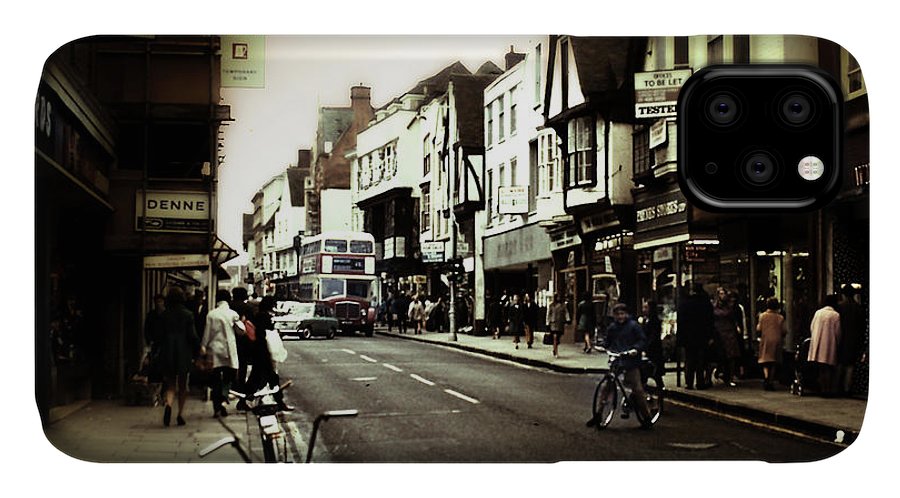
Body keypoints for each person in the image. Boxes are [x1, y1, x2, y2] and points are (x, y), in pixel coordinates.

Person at [587, 303, 650, 427]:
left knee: (637, 389)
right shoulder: (612, 327)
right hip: (617, 360)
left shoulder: (634, 326)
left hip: (631, 361)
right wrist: (602, 346)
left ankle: (647, 417)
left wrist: (636, 349)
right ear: (614, 315)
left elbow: (642, 340)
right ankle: (598, 414)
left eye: (622, 314)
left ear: (626, 314)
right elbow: (608, 341)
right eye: (617, 314)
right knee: (606, 387)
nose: (620, 317)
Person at [158, 286, 200, 427]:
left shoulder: (164, 315)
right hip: (183, 352)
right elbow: (192, 336)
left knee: (170, 384)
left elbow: (159, 336)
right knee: (183, 385)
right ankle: (180, 414)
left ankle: (169, 404)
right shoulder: (187, 314)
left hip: (168, 352)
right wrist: (198, 349)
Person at [245, 296, 293, 411]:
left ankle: (245, 400)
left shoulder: (259, 316)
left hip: (259, 352)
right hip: (263, 352)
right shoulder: (264, 317)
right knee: (271, 378)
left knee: (258, 378)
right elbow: (264, 335)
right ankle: (280, 402)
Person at [200, 289, 241, 417]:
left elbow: (207, 333)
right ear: (228, 299)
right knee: (229, 376)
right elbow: (242, 331)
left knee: (215, 379)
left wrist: (203, 346)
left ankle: (216, 407)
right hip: (229, 350)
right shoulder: (233, 314)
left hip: (214, 350)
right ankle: (224, 397)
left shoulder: (211, 315)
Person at [676, 283, 715, 390]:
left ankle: (688, 382)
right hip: (702, 336)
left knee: (689, 360)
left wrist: (680, 338)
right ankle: (700, 382)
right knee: (700, 361)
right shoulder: (705, 303)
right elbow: (710, 321)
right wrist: (710, 336)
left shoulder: (684, 303)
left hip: (688, 337)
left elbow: (680, 322)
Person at [808, 294, 842, 397]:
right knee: (828, 368)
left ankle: (822, 389)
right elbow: (838, 332)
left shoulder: (818, 313)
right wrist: (838, 342)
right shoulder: (835, 315)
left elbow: (812, 327)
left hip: (818, 343)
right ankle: (828, 390)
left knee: (821, 368)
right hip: (829, 344)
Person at [837, 285, 866, 396]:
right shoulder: (859, 308)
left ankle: (837, 387)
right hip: (854, 340)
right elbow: (862, 327)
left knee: (840, 363)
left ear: (843, 294)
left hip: (841, 338)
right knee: (850, 365)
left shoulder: (840, 307)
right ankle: (847, 389)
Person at [712, 287, 742, 387]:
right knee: (720, 355)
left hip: (729, 332)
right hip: (718, 332)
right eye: (721, 294)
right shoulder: (714, 306)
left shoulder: (730, 306)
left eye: (724, 293)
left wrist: (737, 327)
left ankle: (730, 376)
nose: (723, 295)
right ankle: (720, 372)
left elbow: (734, 319)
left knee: (731, 356)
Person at [757, 297, 787, 391]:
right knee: (774, 361)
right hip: (777, 340)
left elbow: (759, 329)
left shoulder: (762, 316)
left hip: (766, 340)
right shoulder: (780, 317)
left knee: (765, 360)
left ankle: (766, 377)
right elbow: (784, 330)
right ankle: (771, 380)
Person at [231, 287, 254, 394]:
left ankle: (233, 384)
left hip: (231, 338)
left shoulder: (230, 306)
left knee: (232, 363)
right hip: (244, 340)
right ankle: (241, 385)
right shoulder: (248, 307)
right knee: (243, 363)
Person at [639, 301, 665, 388]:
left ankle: (660, 394)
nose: (644, 310)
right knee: (643, 375)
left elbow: (653, 338)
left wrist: (646, 348)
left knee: (656, 375)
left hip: (654, 352)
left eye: (646, 307)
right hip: (646, 352)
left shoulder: (655, 321)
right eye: (643, 307)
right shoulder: (645, 320)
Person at [143, 293, 167, 383]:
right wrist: (149, 341)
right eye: (156, 302)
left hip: (164, 346)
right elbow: (146, 329)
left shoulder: (166, 315)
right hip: (154, 344)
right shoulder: (151, 315)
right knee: (153, 366)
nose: (158, 304)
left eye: (160, 301)